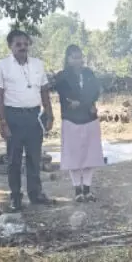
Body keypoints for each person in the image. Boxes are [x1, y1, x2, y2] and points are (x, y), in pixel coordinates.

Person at [0, 29, 55, 211]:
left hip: (34, 117)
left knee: (34, 158)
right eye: (18, 44)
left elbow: (44, 91)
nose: (22, 47)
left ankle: (36, 194)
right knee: (14, 160)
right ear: (10, 46)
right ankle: (15, 197)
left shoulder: (38, 64)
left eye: (25, 44)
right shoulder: (2, 66)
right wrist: (2, 122)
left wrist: (49, 115)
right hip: (13, 117)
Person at [52, 45, 105, 202]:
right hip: (71, 120)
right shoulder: (62, 77)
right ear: (67, 59)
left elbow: (96, 91)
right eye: (74, 57)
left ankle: (87, 190)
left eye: (80, 56)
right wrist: (86, 103)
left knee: (90, 155)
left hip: (90, 119)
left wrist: (83, 103)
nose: (79, 60)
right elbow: (67, 97)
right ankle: (77, 191)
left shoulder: (89, 73)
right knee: (74, 156)